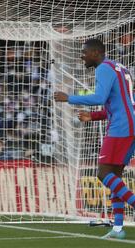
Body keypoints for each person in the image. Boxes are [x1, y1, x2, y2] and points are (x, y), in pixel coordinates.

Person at [54, 38, 135, 239]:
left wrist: (69, 98)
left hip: (121, 127)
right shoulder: (119, 67)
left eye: (84, 52)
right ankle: (118, 228)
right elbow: (117, 102)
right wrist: (94, 116)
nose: (82, 55)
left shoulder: (103, 69)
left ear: (96, 53)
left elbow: (99, 98)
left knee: (103, 173)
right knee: (114, 176)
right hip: (128, 123)